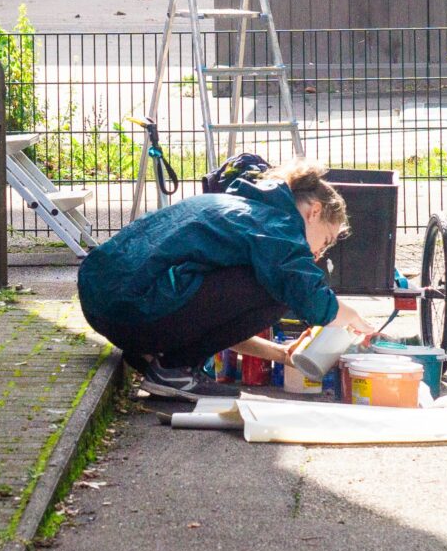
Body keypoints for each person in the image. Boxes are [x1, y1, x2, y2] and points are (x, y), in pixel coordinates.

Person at [76, 158, 377, 390]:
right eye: (324, 242)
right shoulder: (276, 228)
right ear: (314, 211)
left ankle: (158, 361)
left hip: (106, 307)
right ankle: (172, 370)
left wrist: (282, 354)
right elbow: (302, 293)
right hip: (134, 312)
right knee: (280, 289)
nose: (317, 255)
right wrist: (346, 314)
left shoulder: (245, 211)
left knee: (275, 284)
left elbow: (209, 322)